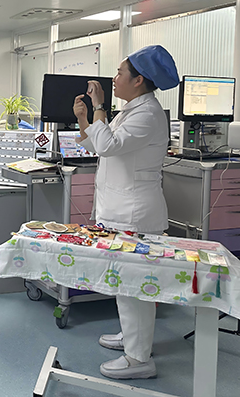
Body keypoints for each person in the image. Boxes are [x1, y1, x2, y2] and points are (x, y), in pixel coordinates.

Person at [72, 45, 179, 380]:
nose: (114, 78)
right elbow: (97, 145)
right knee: (125, 282)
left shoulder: (148, 114)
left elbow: (108, 146)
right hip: (120, 209)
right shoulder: (132, 110)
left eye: (120, 73)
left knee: (137, 285)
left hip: (135, 213)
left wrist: (99, 107)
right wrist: (84, 119)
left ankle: (139, 359)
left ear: (139, 80)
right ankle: (132, 337)